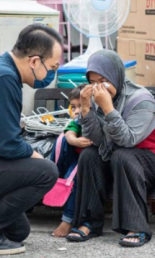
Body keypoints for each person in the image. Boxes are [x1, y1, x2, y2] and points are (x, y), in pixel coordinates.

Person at [0, 23, 62, 255]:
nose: (52, 75)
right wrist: (36, 158)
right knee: (46, 171)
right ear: (35, 61)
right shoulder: (4, 78)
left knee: (17, 231)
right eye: (53, 68)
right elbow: (7, 145)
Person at [66, 50, 155, 247]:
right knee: (89, 155)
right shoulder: (101, 97)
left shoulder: (142, 100)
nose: (98, 87)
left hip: (153, 159)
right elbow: (97, 141)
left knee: (122, 155)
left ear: (116, 75)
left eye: (103, 79)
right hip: (118, 156)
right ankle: (89, 222)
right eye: (93, 81)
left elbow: (128, 140)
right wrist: (87, 110)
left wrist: (108, 109)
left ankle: (137, 227)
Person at [52, 83, 93, 237]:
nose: (76, 112)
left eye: (80, 107)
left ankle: (68, 220)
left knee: (74, 175)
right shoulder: (77, 122)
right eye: (73, 107)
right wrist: (73, 140)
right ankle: (55, 175)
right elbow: (70, 130)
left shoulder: (92, 120)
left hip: (88, 164)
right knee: (62, 139)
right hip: (73, 159)